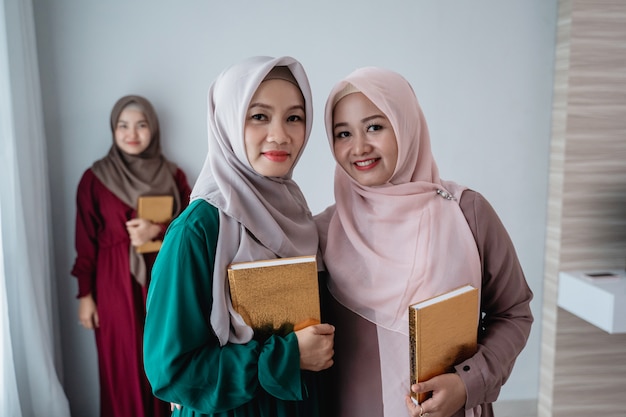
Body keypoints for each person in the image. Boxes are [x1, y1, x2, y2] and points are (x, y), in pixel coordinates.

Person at [315, 67, 534, 417]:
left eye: (375, 126)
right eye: (343, 133)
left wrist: (467, 384)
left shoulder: (466, 212)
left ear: (406, 124)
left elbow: (513, 312)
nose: (359, 147)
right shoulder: (324, 232)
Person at [143, 56, 335, 417]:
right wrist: (286, 358)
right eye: (259, 116)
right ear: (228, 122)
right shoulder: (198, 229)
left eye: (294, 117)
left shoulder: (296, 214)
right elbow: (172, 371)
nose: (280, 134)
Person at [71, 94, 191, 417]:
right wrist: (86, 295)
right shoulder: (94, 179)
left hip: (163, 279)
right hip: (113, 285)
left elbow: (190, 230)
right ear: (113, 129)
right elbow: (85, 240)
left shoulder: (172, 175)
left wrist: (157, 231)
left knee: (164, 356)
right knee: (122, 367)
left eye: (141, 124)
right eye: (123, 125)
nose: (132, 133)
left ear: (153, 128)